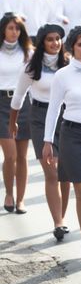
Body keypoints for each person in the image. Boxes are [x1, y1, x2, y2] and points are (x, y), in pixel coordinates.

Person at [43, 25, 81, 269]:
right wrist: (48, 140)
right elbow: (54, 109)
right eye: (80, 44)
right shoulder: (63, 75)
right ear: (72, 47)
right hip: (73, 136)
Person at [9, 24, 70, 239]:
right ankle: (58, 222)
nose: (55, 43)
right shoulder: (32, 66)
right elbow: (19, 96)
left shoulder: (69, 64)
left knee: (65, 173)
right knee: (51, 172)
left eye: (58, 39)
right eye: (50, 39)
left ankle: (61, 217)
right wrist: (13, 121)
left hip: (67, 119)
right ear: (42, 42)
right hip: (40, 119)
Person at [0, 12, 32, 214]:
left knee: (22, 156)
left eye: (17, 28)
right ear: (3, 29)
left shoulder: (28, 52)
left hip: (23, 105)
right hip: (1, 104)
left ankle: (20, 199)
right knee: (9, 155)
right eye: (10, 28)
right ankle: (9, 193)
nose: (14, 32)